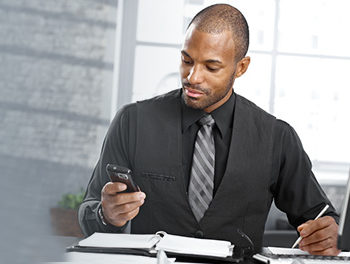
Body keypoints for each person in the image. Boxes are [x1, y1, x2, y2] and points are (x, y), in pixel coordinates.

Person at [79, 4, 340, 255]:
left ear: (241, 67)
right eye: (186, 60)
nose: (192, 77)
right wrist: (106, 214)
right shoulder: (132, 121)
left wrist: (326, 232)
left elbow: (319, 217)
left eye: (211, 67)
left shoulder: (277, 138)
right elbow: (90, 212)